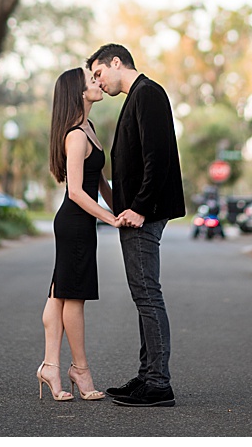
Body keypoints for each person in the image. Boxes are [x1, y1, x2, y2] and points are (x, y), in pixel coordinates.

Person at [87, 43, 186, 408]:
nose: (99, 82)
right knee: (143, 296)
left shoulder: (148, 93)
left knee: (148, 295)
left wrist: (140, 208)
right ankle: (147, 376)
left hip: (143, 216)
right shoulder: (138, 97)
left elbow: (157, 156)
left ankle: (158, 383)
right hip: (133, 215)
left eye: (99, 73)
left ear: (117, 62)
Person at [39, 66, 121, 402]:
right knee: (73, 298)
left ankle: (50, 367)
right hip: (75, 223)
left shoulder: (89, 128)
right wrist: (110, 219)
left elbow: (98, 180)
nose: (98, 82)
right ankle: (80, 369)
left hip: (81, 223)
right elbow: (75, 191)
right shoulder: (75, 135)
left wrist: (120, 207)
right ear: (78, 91)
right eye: (92, 80)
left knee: (58, 296)